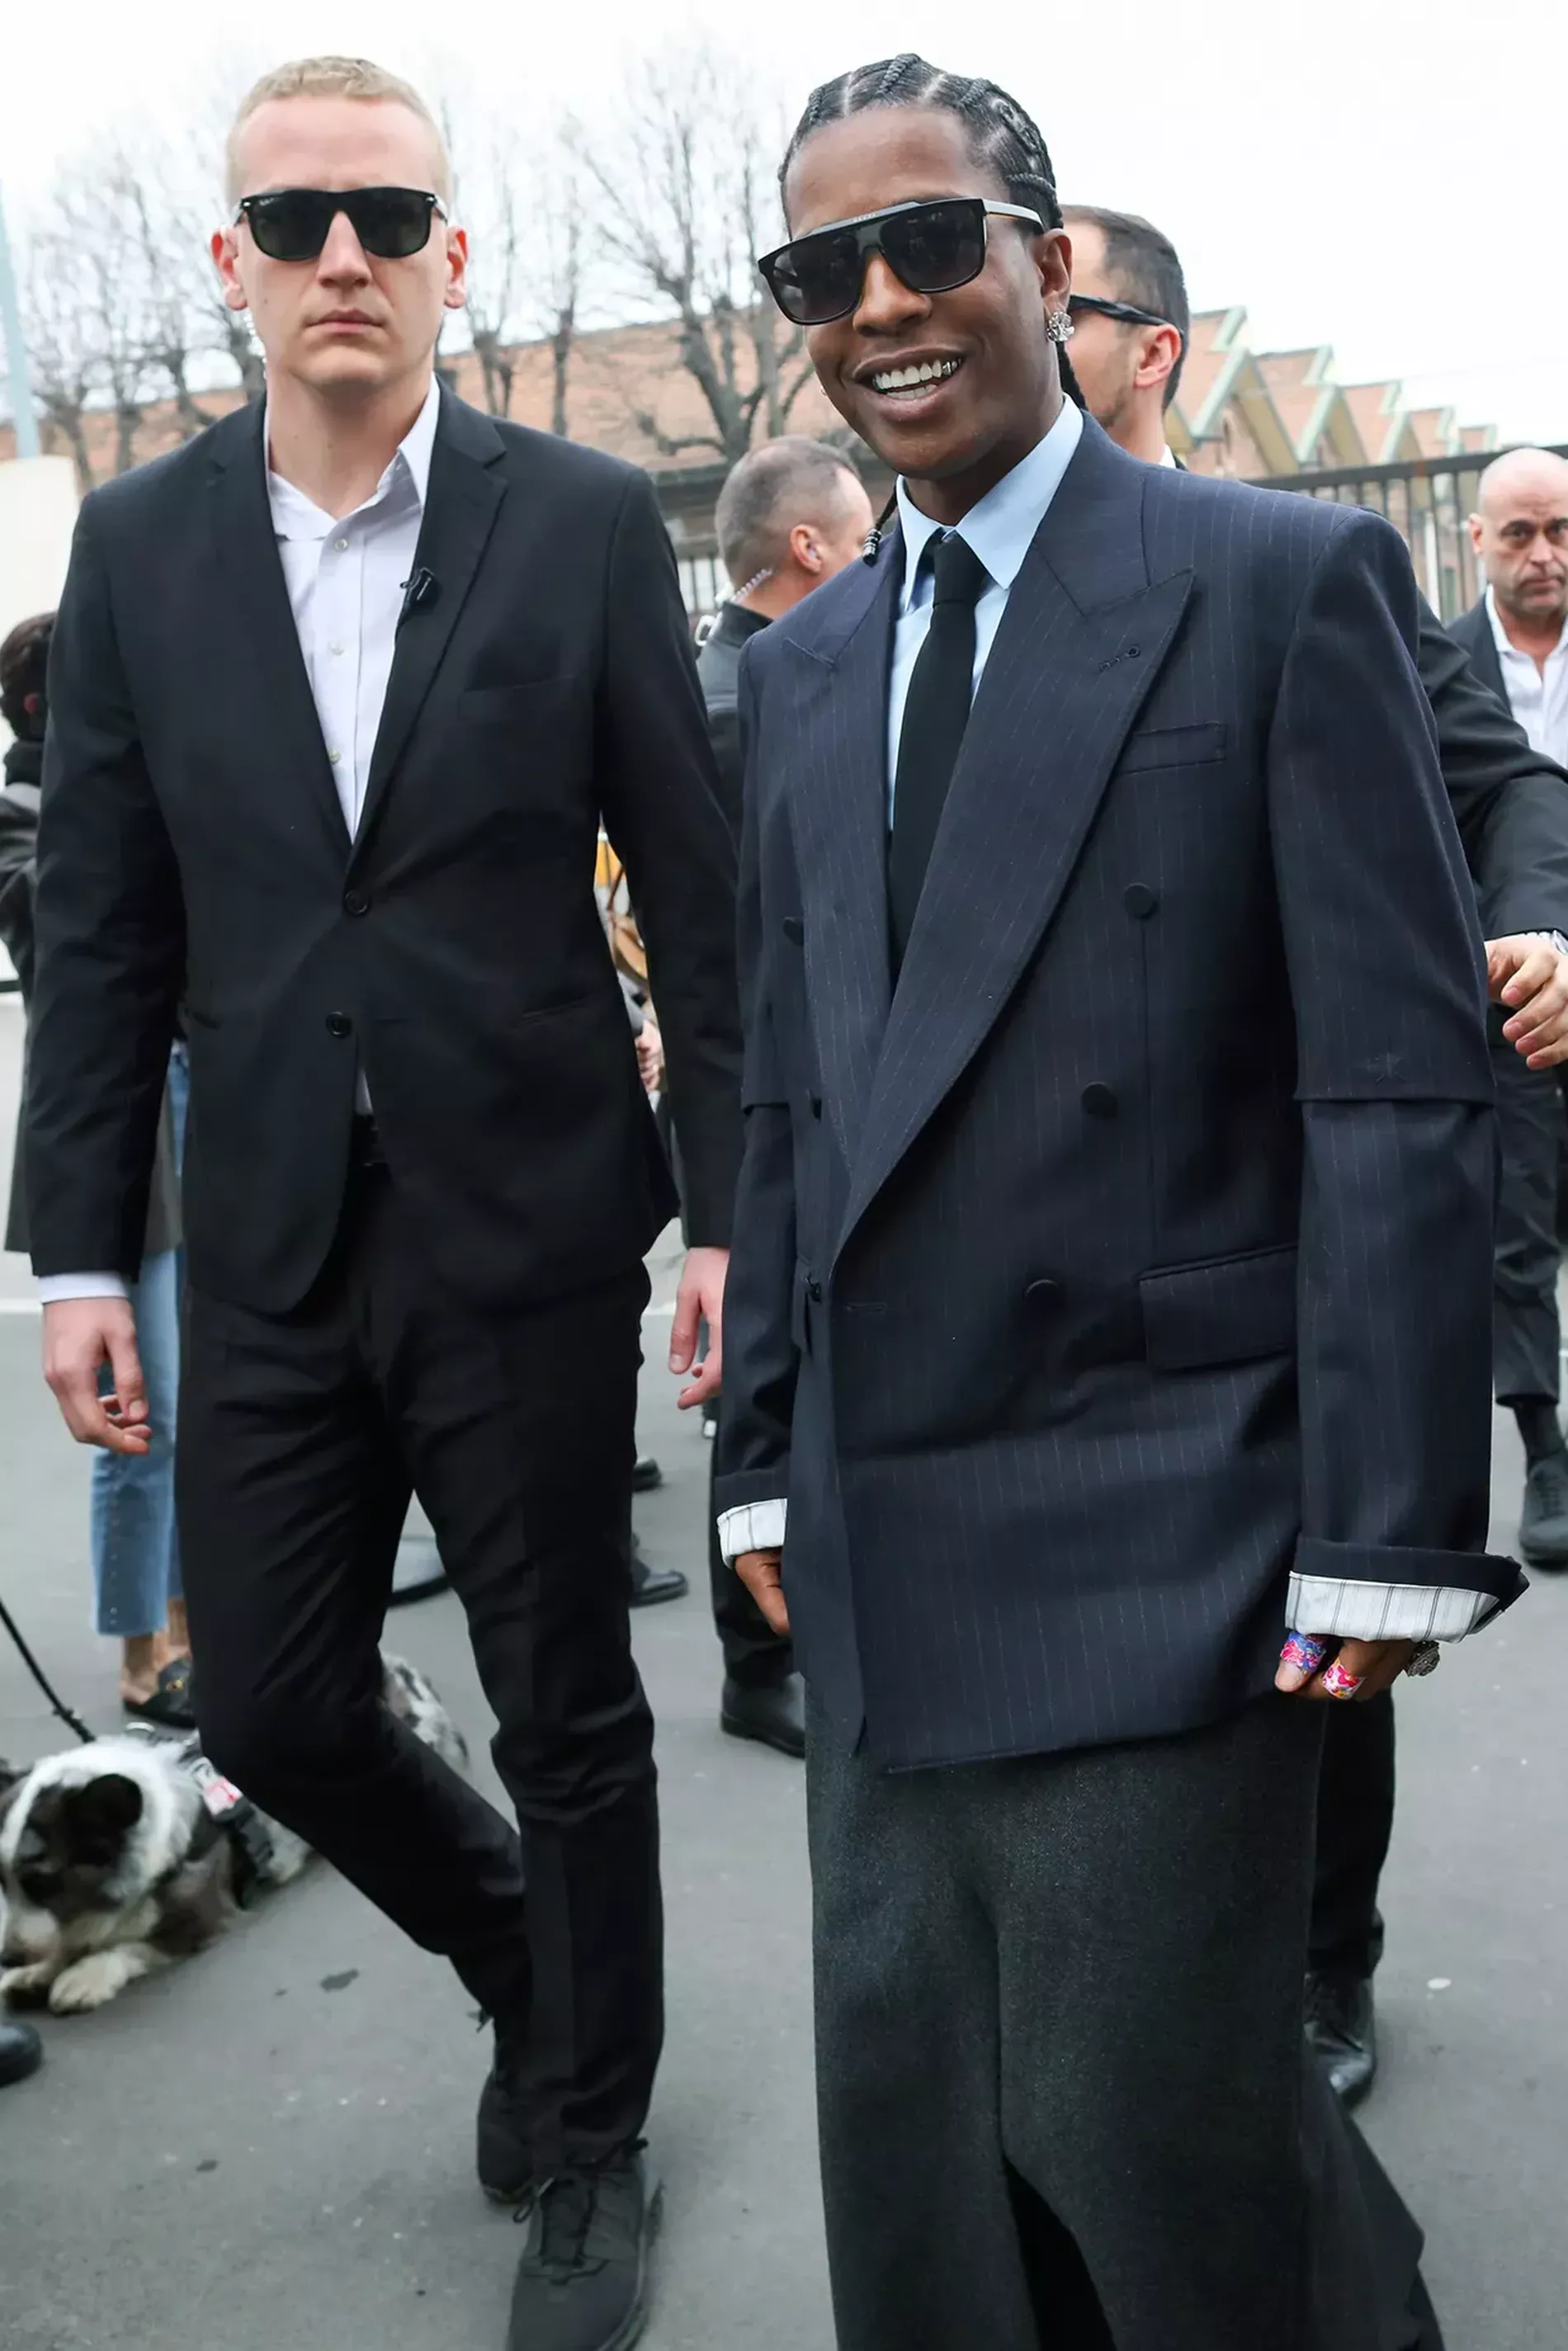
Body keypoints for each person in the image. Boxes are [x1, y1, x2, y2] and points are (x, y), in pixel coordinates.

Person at [720, 53, 1524, 2350]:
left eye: (926, 245)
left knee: (1148, 2132)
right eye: (819, 270)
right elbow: (793, 1094)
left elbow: (1390, 1068)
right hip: (882, 1514)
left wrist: (1387, 1513)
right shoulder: (793, 672)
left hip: (1170, 1510)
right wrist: (765, 1438)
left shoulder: (1275, 581)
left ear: (1045, 266)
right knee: (927, 2141)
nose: (876, 303)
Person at [23, 55, 741, 2351]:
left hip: (525, 1219)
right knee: (279, 1706)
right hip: (257, 1242)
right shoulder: (136, 553)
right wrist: (66, 1250)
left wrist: (728, 1209)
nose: (349, 252)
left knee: (566, 1707)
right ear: (228, 266)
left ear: (453, 256)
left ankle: (594, 2132)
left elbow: (704, 900)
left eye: (391, 214)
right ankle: (527, 1954)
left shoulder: (581, 521)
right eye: (301, 218)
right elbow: (107, 928)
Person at [1070, 224, 1568, 2108]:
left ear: (1152, 354)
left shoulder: (1287, 573)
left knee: (1314, 1616)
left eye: (1069, 305)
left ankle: (1320, 1955)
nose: (1010, 329)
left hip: (1267, 1194)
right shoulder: (926, 592)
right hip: (1040, 1231)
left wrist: (1532, 924)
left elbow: (1509, 783)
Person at [692, 438, 874, 1759]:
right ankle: (761, 1656)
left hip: (777, 1074)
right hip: (771, 1082)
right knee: (769, 1363)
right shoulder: (744, 698)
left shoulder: (727, 681)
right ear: (808, 548)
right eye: (860, 543)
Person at [0, 615, 194, 1729]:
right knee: (141, 1404)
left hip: (206, 1100)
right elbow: (63, 932)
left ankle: (192, 1624)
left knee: (212, 1395)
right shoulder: (27, 817)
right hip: (125, 1129)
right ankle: (138, 1652)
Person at [1452, 451, 1568, 1556]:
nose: (1544, 554)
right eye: (1521, 532)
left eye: (1562, 530)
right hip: (1508, 988)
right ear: (1475, 542)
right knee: (1517, 1227)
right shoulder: (1433, 663)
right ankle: (1545, 1452)